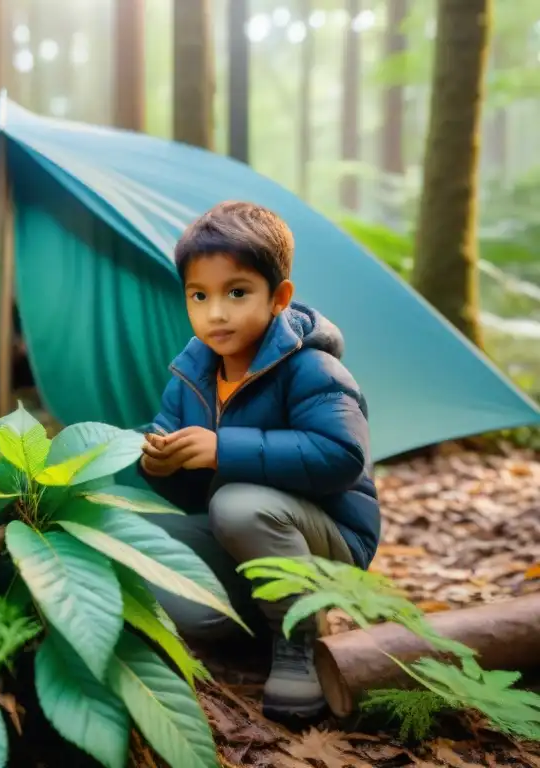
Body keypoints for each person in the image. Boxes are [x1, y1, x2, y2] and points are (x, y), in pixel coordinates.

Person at [138, 201, 380, 724]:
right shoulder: (192, 372)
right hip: (240, 538)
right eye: (199, 296)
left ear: (279, 298)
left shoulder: (314, 368)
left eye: (237, 293)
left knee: (238, 504)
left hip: (327, 540)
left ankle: (298, 641)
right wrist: (160, 464)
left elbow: (342, 456)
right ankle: (239, 622)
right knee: (132, 523)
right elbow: (188, 497)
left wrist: (223, 448)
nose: (216, 313)